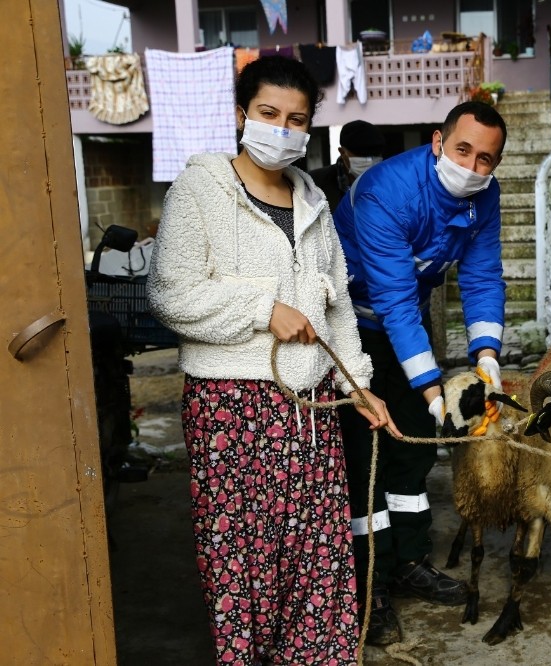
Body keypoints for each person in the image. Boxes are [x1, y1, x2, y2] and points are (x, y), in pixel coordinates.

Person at [147, 55, 401, 665]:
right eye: (268, 114)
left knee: (319, 552)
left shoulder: (313, 200)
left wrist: (361, 383)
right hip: (232, 407)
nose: (282, 130)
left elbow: (337, 305)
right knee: (245, 559)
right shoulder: (201, 188)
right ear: (241, 114)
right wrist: (265, 308)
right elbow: (169, 294)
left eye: (296, 120)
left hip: (311, 405)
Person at [332, 100, 508, 645]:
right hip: (351, 327)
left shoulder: (485, 194)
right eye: (463, 151)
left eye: (487, 159)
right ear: (437, 141)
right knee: (366, 453)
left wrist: (487, 359)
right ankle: (372, 584)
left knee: (414, 448)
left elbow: (481, 276)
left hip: (405, 323)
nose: (474, 167)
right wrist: (434, 391)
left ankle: (410, 560)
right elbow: (394, 302)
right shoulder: (388, 190)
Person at [309, 119, 385, 214]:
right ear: (342, 152)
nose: (369, 160)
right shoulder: (314, 184)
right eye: (361, 155)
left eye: (375, 154)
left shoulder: (389, 182)